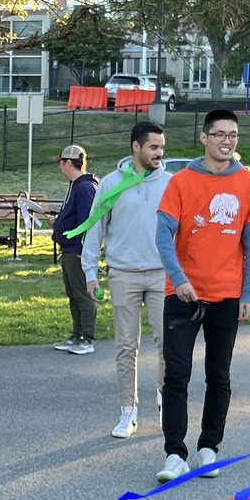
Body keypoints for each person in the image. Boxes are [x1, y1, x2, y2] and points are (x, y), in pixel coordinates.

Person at [155, 109, 250, 483]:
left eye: (232, 135)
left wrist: (249, 293)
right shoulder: (181, 182)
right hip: (183, 295)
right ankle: (174, 454)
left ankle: (208, 449)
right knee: (177, 375)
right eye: (219, 134)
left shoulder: (248, 184)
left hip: (226, 296)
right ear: (204, 138)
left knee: (218, 376)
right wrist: (179, 279)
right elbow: (162, 237)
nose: (226, 141)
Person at [82, 121, 172, 439]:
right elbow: (95, 229)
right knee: (125, 347)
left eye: (162, 147)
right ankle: (127, 411)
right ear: (136, 147)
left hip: (163, 275)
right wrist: (90, 272)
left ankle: (166, 401)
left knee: (168, 345)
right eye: (154, 147)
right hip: (122, 274)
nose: (160, 153)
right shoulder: (110, 184)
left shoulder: (171, 184)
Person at [50, 144, 99, 356]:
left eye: (62, 162)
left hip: (77, 251)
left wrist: (83, 250)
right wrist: (59, 221)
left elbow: (89, 222)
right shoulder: (76, 185)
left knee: (82, 295)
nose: (60, 166)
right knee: (73, 294)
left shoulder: (84, 188)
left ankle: (86, 338)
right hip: (69, 249)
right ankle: (77, 334)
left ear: (69, 163)